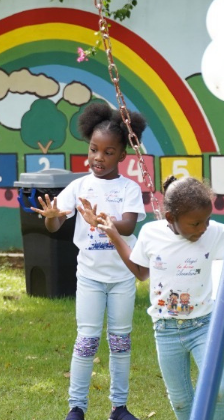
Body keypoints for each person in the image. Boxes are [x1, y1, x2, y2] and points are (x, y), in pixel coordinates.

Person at [32, 102, 147, 420]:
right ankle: (76, 407)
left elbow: (128, 225)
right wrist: (53, 217)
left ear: (122, 155)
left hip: (123, 276)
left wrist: (102, 220)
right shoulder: (78, 186)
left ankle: (119, 408)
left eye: (109, 152)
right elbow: (54, 225)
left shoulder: (128, 188)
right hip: (90, 278)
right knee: (86, 340)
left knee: (120, 341)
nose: (99, 157)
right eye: (94, 149)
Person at [92, 176, 224, 420]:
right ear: (170, 218)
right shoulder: (150, 233)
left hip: (204, 325)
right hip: (166, 329)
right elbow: (140, 271)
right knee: (180, 400)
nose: (203, 228)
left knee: (218, 390)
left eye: (207, 220)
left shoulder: (213, 233)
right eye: (196, 223)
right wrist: (114, 235)